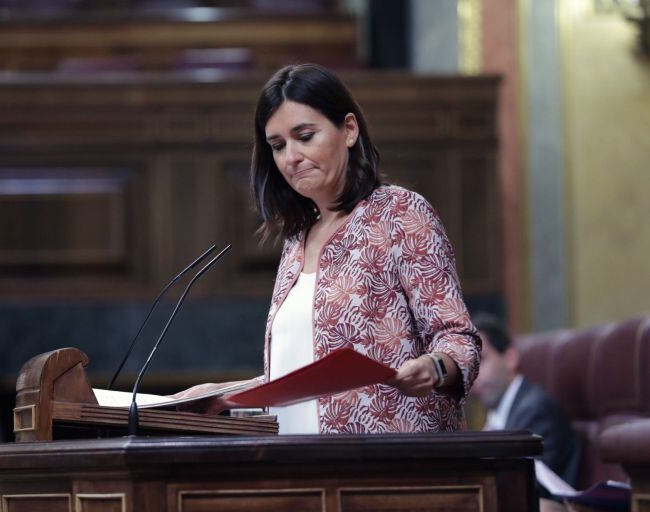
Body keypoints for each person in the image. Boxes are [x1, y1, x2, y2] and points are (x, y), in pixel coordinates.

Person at [175, 63, 481, 434]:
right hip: (301, 465)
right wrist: (226, 394)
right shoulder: (296, 239)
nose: (291, 157)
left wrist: (434, 367)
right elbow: (305, 375)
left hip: (392, 464)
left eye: (305, 136)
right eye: (278, 145)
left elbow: (459, 338)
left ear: (349, 130)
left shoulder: (400, 213)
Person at [471, 312, 581, 487]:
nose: (473, 377)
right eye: (468, 368)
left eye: (481, 361)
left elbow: (528, 490)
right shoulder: (497, 416)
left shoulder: (537, 410)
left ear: (510, 358)